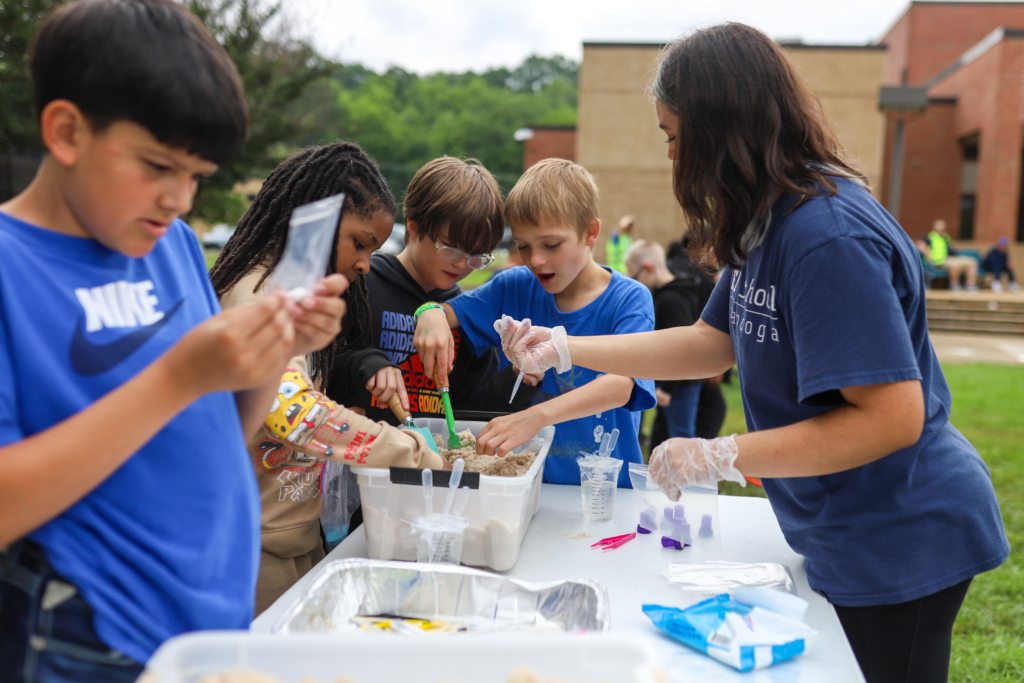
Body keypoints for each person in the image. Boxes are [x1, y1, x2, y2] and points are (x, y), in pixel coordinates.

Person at [498, 24, 1008, 683]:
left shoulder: (827, 236)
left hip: (900, 530)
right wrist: (566, 345)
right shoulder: (769, 219)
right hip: (841, 526)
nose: (674, 157)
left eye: (674, 137)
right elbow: (710, 346)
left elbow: (892, 417)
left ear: (719, 131)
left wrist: (722, 452)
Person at [0, 1, 346, 679]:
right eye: (158, 166)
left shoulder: (172, 247)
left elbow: (221, 431)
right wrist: (180, 376)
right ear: (67, 131)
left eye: (197, 177)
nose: (180, 199)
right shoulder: (11, 265)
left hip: (203, 628)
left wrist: (271, 351)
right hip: (84, 635)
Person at [210, 142, 446, 615]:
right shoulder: (256, 298)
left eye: (373, 250)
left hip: (296, 535)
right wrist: (411, 451)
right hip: (250, 550)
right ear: (310, 217)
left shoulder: (295, 295)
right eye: (359, 243)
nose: (364, 264)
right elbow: (296, 413)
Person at [414, 159, 656, 487]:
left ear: (590, 232)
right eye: (523, 246)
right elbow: (444, 312)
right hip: (525, 487)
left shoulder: (629, 299)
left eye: (551, 245)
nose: (536, 260)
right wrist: (430, 312)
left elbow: (623, 383)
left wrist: (536, 418)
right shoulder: (513, 286)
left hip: (605, 491)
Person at [329, 157, 542, 422]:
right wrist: (364, 364)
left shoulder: (467, 317)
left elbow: (471, 415)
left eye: (477, 256)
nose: (464, 264)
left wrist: (518, 379)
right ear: (414, 227)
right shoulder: (361, 285)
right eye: (451, 249)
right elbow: (312, 370)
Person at [625, 240, 703, 438]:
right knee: (663, 432)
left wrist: (667, 389)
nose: (633, 281)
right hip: (672, 380)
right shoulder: (666, 294)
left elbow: (684, 347)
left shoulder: (671, 300)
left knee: (681, 435)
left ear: (648, 268)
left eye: (633, 276)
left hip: (681, 385)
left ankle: (686, 470)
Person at [925, 219, 979, 291]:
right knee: (955, 264)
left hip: (952, 257)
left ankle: (970, 285)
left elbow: (951, 249)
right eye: (940, 229)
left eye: (944, 229)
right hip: (939, 261)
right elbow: (920, 244)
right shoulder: (931, 237)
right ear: (935, 229)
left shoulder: (945, 237)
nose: (942, 231)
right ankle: (954, 285)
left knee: (972, 262)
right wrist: (928, 254)